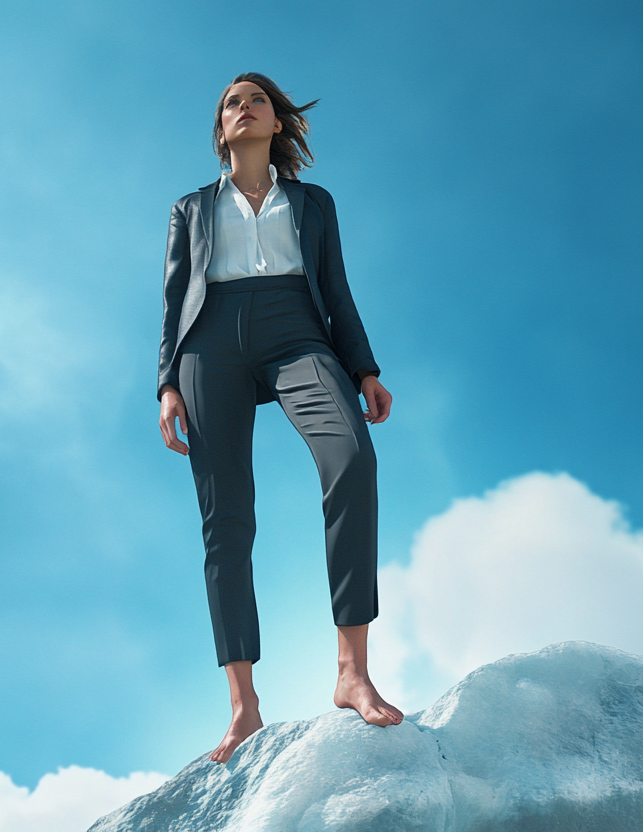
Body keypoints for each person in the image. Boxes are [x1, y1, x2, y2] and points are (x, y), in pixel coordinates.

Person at [156, 72, 403, 765]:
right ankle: (243, 707)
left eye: (256, 99)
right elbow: (174, 302)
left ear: (277, 121)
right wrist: (167, 384)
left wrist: (364, 368)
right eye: (231, 103)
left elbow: (337, 291)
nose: (244, 107)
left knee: (352, 458)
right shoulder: (190, 208)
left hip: (298, 331)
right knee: (225, 518)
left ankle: (352, 672)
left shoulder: (314, 203)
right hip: (209, 346)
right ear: (220, 131)